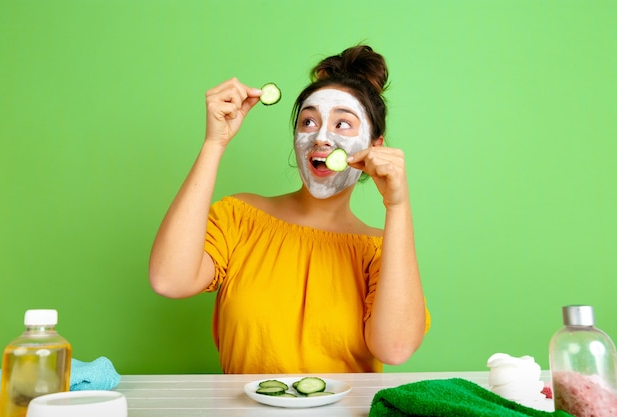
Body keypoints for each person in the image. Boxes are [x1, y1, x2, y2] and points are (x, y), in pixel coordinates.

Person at [149, 45, 430, 374]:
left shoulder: (380, 251)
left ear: (375, 145)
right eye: (309, 121)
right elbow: (169, 280)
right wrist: (215, 143)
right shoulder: (240, 218)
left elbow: (394, 348)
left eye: (343, 124)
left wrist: (397, 205)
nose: (321, 138)